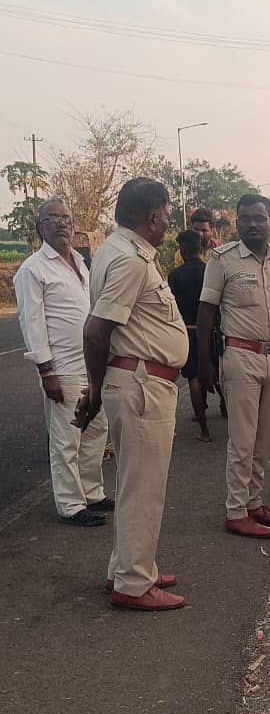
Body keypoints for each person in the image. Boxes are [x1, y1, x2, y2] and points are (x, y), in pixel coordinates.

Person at [74, 178, 189, 611]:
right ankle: (134, 584)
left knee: (133, 484)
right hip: (142, 384)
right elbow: (96, 330)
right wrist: (96, 389)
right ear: (152, 216)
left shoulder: (116, 250)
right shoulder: (130, 260)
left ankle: (129, 566)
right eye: (164, 213)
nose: (167, 221)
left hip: (139, 381)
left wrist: (98, 388)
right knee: (144, 489)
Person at [197, 193, 270, 539]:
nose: (252, 224)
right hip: (240, 357)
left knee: (265, 439)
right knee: (242, 441)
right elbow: (206, 313)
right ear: (238, 223)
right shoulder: (222, 260)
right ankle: (235, 511)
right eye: (245, 218)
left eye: (259, 218)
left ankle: (254, 504)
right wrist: (204, 362)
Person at [13, 198, 112, 527]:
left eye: (66, 218)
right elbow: (32, 323)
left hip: (92, 366)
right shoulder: (33, 269)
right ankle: (71, 505)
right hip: (63, 369)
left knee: (96, 430)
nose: (61, 224)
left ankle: (92, 491)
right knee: (67, 439)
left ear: (73, 225)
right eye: (52, 219)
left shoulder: (81, 263)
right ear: (41, 227)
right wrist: (46, 371)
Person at [168, 228, 212, 442]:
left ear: (182, 251)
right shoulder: (210, 271)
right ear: (201, 248)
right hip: (212, 332)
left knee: (194, 378)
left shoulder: (175, 276)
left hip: (188, 332)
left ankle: (204, 430)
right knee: (216, 374)